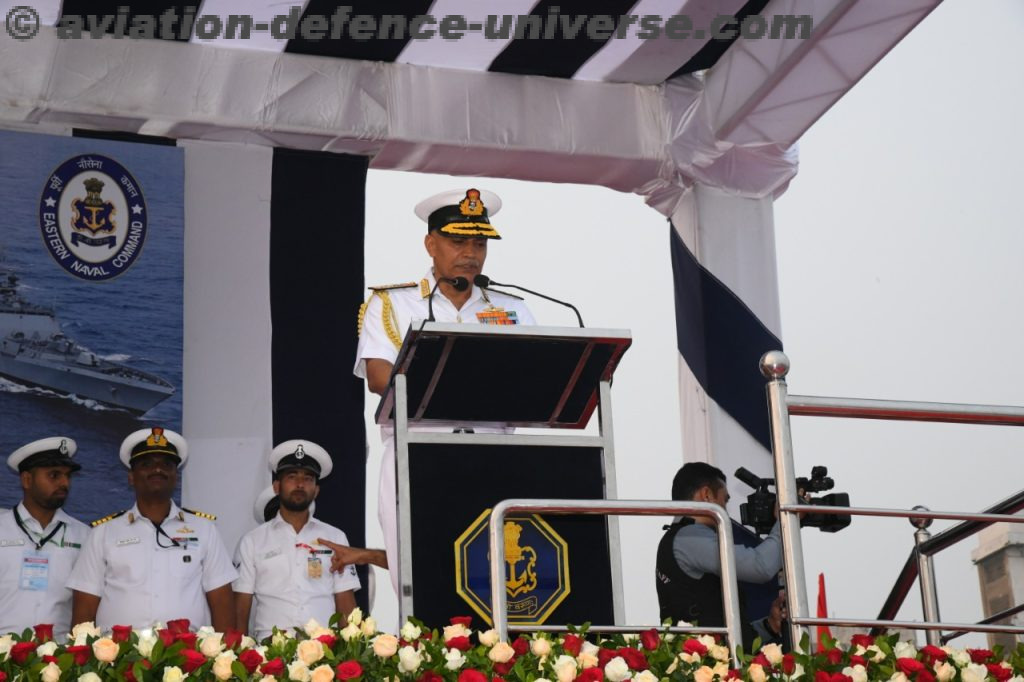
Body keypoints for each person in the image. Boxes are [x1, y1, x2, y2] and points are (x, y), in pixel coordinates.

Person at [354, 188, 535, 594]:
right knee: (420, 581)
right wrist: (481, 380)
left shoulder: (514, 310)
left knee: (498, 583)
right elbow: (381, 378)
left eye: (479, 242)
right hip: (416, 456)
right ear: (430, 244)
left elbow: (534, 381)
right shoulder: (393, 304)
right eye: (458, 241)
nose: (470, 252)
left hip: (495, 458)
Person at [68, 427, 237, 631]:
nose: (158, 469)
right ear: (131, 477)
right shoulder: (103, 533)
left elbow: (222, 602)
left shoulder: (204, 530)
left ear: (176, 476)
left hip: (187, 655)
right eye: (146, 464)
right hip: (119, 656)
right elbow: (85, 606)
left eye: (166, 464)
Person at [233, 440, 360, 639]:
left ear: (316, 490)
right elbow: (241, 604)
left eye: (308, 479)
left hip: (324, 650)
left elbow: (344, 598)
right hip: (271, 652)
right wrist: (237, 653)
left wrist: (352, 651)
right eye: (292, 477)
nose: (300, 484)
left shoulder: (335, 537)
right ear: (276, 486)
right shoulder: (252, 541)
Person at [655, 462, 783, 647]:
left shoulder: (681, 537)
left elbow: (722, 634)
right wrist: (783, 519)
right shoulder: (690, 538)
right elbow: (760, 566)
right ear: (706, 495)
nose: (725, 508)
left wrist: (770, 626)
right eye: (725, 499)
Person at [0, 437, 88, 635]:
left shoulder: (85, 536)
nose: (64, 483)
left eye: (68, 476)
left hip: (59, 659)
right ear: (27, 480)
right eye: (54, 475)